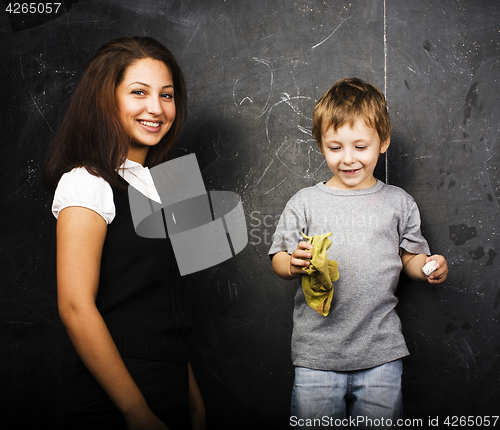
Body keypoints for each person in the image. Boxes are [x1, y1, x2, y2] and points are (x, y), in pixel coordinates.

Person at [42, 36, 205, 430]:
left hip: (173, 392)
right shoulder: (86, 181)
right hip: (116, 399)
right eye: (138, 92)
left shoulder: (177, 184)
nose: (156, 108)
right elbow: (76, 307)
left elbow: (170, 311)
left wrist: (195, 406)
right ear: (106, 99)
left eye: (167, 95)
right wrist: (137, 413)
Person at [269, 78, 448, 427]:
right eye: (335, 148)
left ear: (384, 141)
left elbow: (408, 258)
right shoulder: (305, 202)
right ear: (321, 145)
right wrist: (292, 264)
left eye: (360, 146)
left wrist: (427, 266)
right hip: (316, 356)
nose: (348, 159)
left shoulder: (398, 202)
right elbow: (278, 257)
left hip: (381, 352)